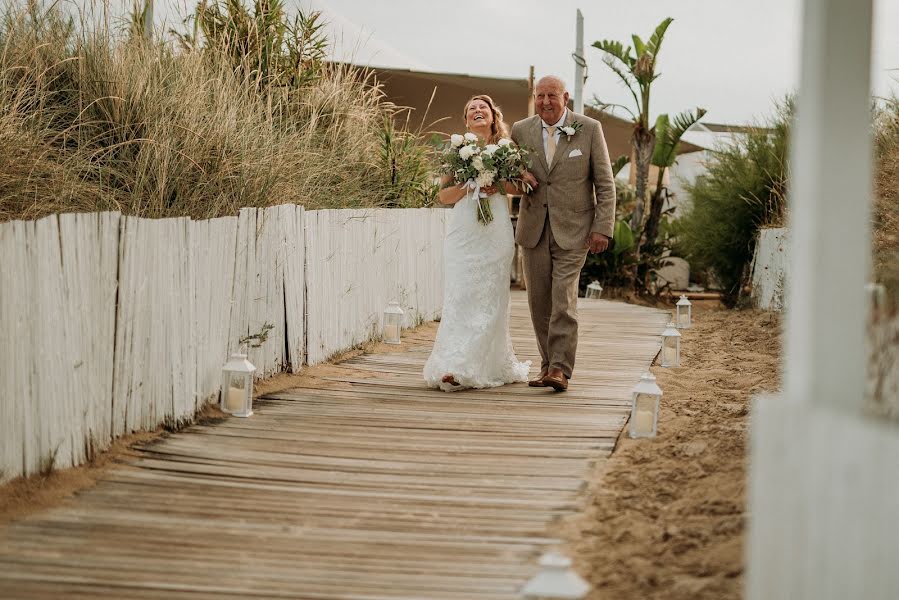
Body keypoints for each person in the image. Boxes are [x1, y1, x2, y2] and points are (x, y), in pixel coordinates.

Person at [510, 76, 617, 392]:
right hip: (533, 229)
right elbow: (513, 179)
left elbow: (605, 184)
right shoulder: (520, 130)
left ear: (565, 97)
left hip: (576, 231)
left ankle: (560, 368)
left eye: (551, 95)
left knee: (563, 300)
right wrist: (519, 176)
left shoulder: (590, 128)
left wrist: (602, 228)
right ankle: (547, 364)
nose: (545, 101)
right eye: (539, 95)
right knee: (539, 302)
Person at [423, 95, 535, 392]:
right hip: (464, 232)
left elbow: (525, 185)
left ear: (493, 116)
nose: (476, 111)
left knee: (490, 295)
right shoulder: (456, 150)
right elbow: (443, 196)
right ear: (465, 120)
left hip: (495, 229)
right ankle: (452, 362)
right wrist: (468, 183)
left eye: (482, 107)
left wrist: (495, 184)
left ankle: (473, 364)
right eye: (471, 108)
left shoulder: (506, 148)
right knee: (460, 294)